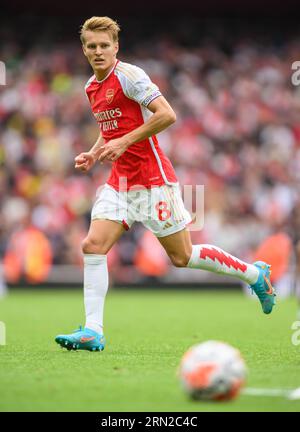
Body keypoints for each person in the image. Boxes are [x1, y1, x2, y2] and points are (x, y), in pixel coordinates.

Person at [55, 16, 276, 352]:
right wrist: (94, 151)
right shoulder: (91, 87)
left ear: (116, 47)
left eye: (104, 45)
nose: (98, 51)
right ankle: (92, 331)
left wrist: (124, 142)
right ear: (84, 50)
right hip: (120, 182)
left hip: (153, 180)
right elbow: (112, 127)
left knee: (182, 257)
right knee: (92, 246)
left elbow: (166, 114)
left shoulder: (130, 76)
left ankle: (254, 275)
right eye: (92, 46)